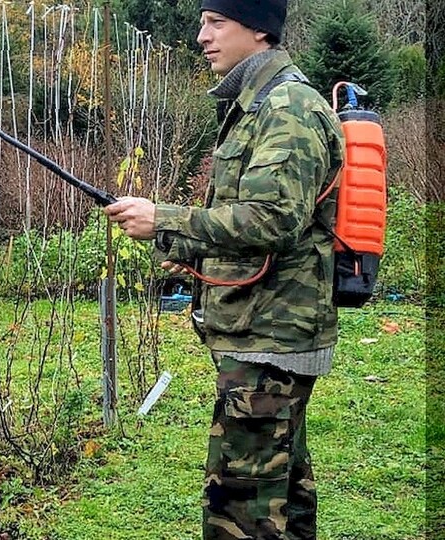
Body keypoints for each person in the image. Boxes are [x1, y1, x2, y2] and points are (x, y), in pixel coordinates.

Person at [103, 1, 345, 538]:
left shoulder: (286, 106)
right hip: (263, 335)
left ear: (258, 29)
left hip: (271, 339)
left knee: (240, 507)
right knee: (282, 496)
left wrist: (165, 218)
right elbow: (263, 220)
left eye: (216, 22)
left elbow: (274, 219)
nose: (201, 36)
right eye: (202, 22)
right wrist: (191, 249)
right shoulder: (258, 103)